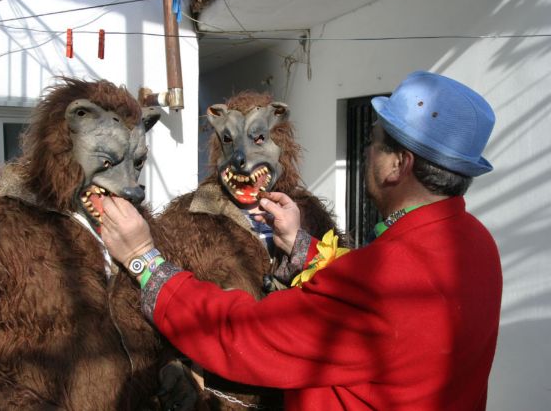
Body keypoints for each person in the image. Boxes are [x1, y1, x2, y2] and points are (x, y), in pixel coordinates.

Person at [101, 70, 502, 410]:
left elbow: (245, 337)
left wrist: (144, 260)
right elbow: (372, 320)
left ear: (399, 164)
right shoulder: (477, 244)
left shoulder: (385, 279)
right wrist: (301, 246)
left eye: (373, 141)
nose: (367, 153)